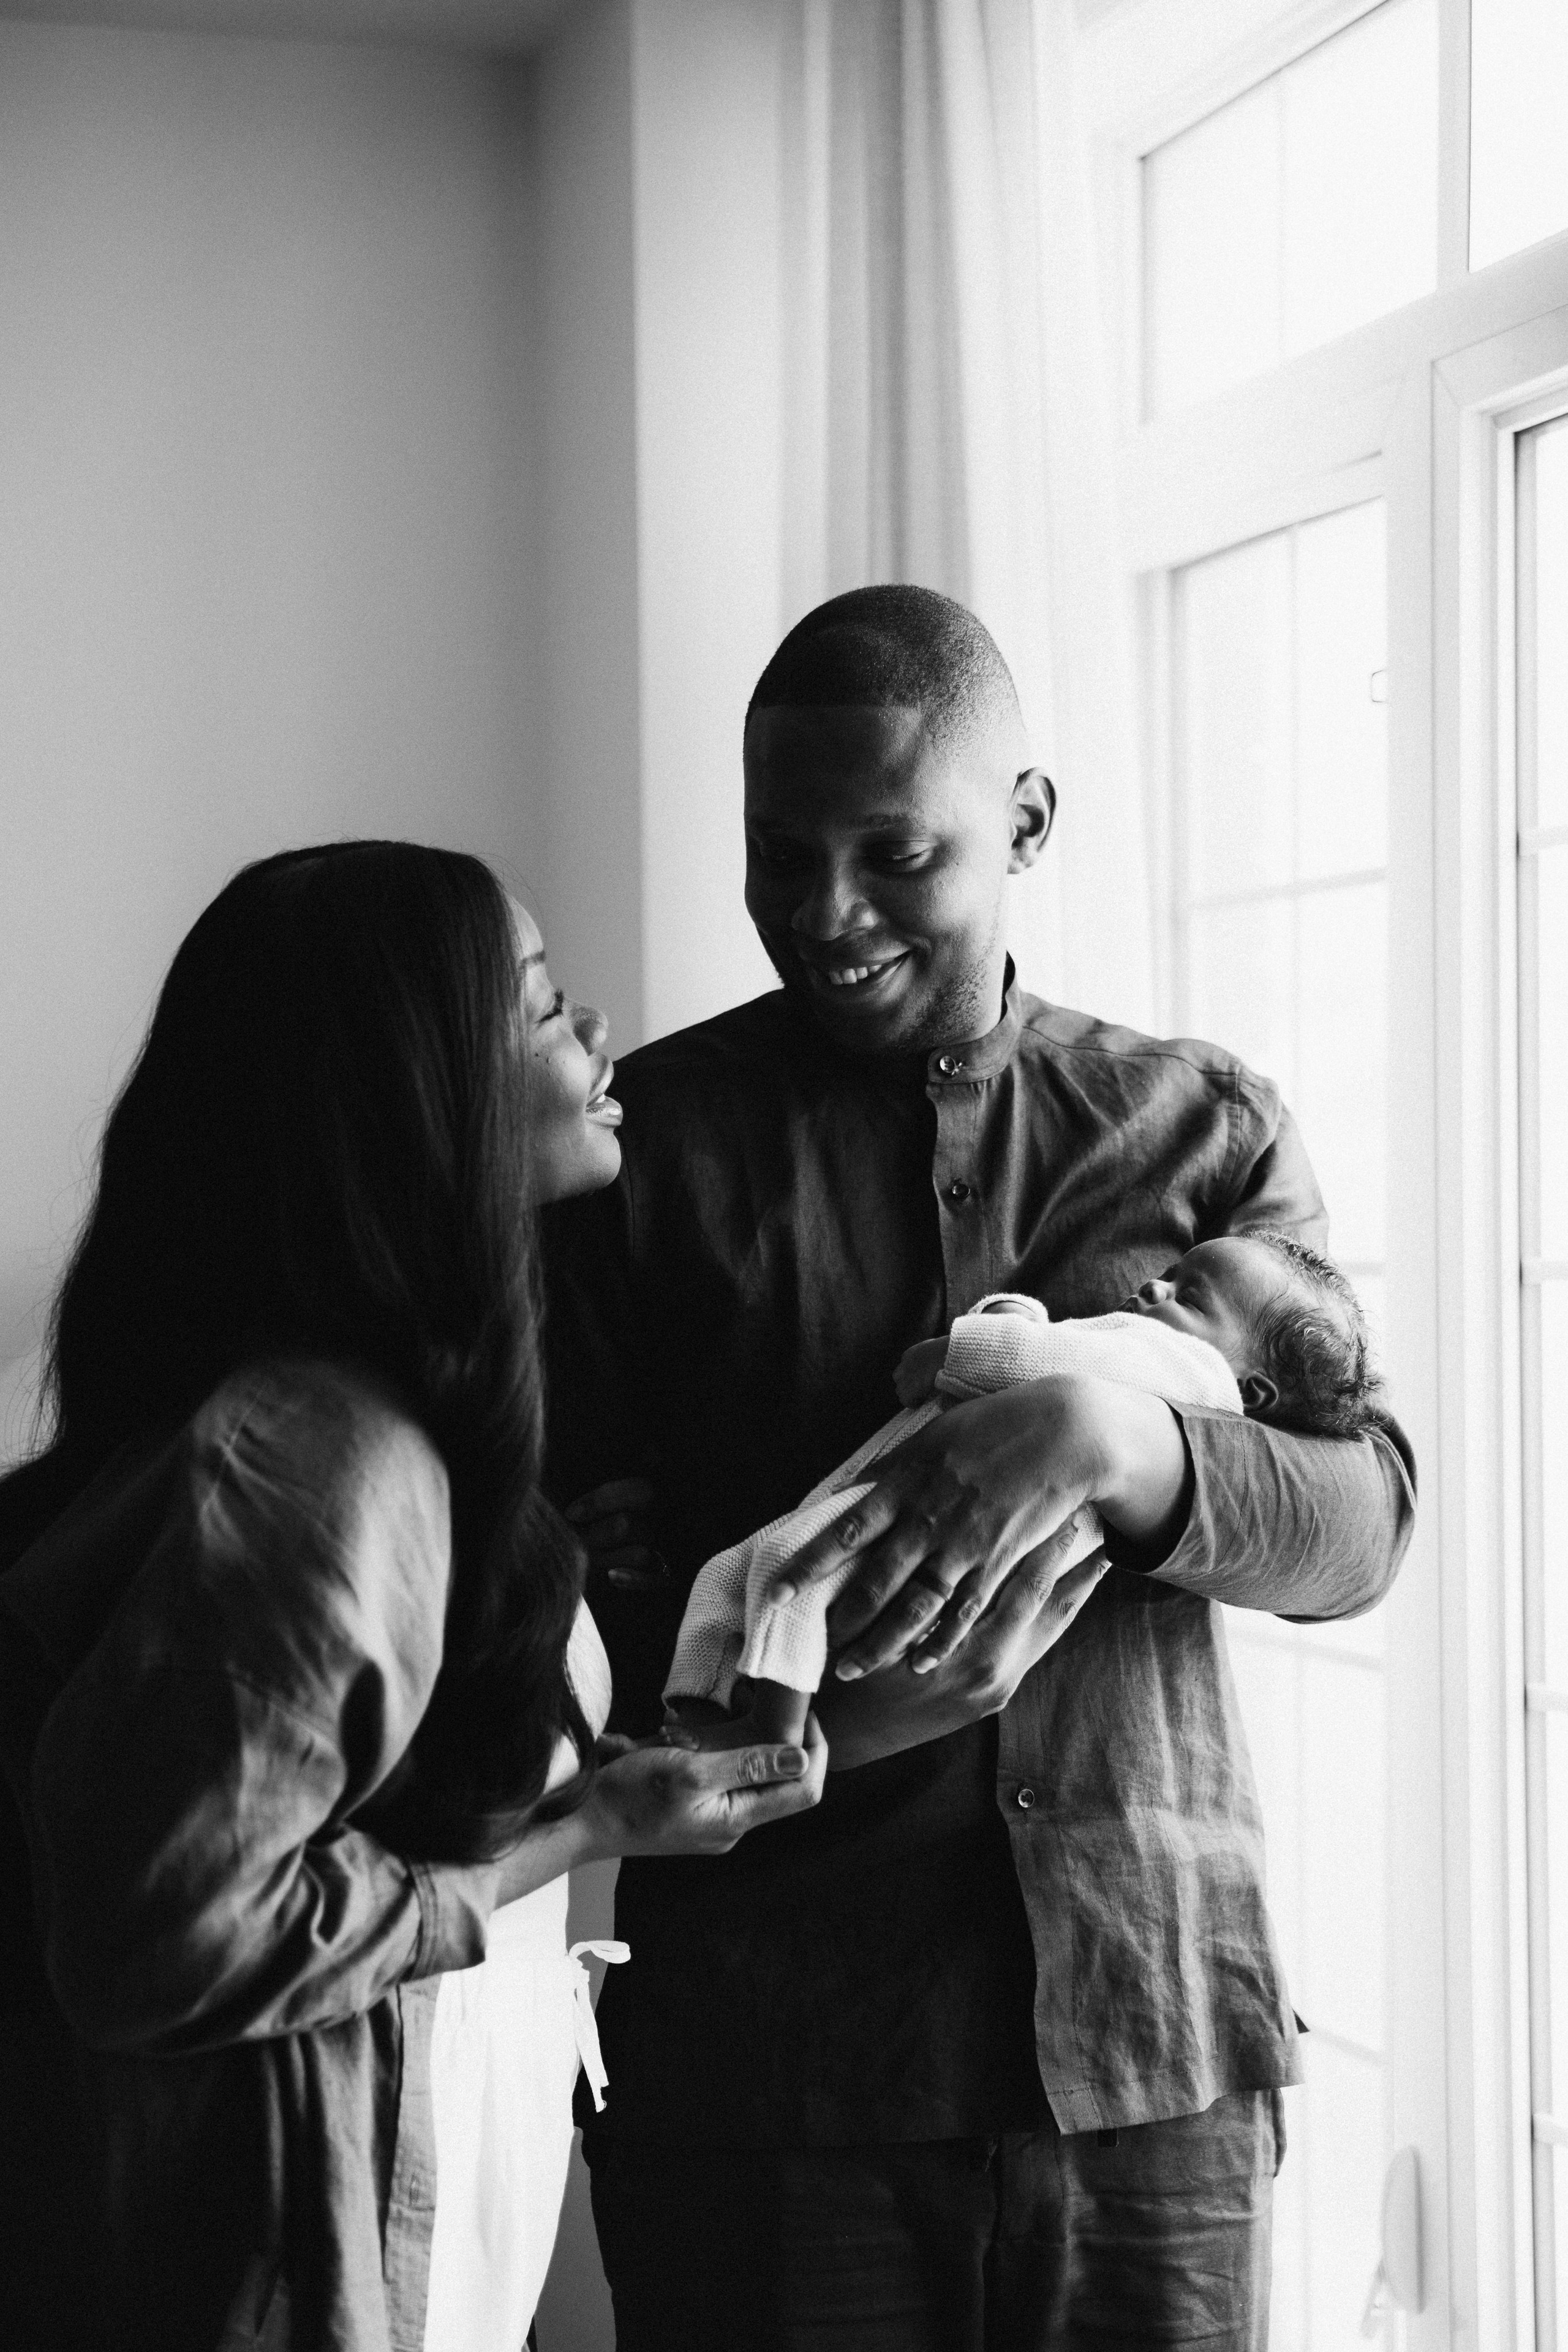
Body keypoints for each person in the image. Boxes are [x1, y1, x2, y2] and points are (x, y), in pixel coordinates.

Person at [544, 585, 1418, 2351]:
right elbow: (539, 1611)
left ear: (1024, 822)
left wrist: (1127, 1448)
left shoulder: (1205, 1131)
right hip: (773, 2079)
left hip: (1154, 2061)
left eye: (894, 852)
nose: (827, 912)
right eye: (780, 854)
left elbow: (1367, 1520)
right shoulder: (639, 1159)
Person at [0, 840, 824, 2352]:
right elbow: (164, 1935)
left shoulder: (369, 1434)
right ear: (412, 1088)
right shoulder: (330, 1459)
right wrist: (574, 1835)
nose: (593, 1028)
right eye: (536, 1002)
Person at [666, 1232, 1384, 1747]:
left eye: (1188, 1294)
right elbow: (1059, 1343)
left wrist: (962, 1352)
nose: (1155, 1286)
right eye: (1172, 1271)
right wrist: (1019, 1318)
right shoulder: (1151, 1347)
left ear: (1250, 1390)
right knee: (737, 1575)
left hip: (909, 1522)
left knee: (785, 1580)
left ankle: (767, 1741)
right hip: (891, 1508)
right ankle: (697, 1712)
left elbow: (1053, 1359)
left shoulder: (1192, 1373)